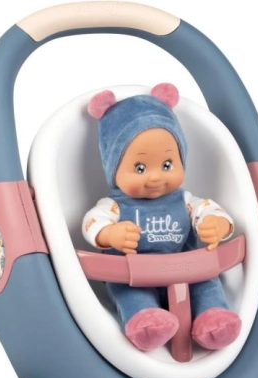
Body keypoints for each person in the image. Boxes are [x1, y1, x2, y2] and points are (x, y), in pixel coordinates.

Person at [82, 83, 241, 353]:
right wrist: (109, 235)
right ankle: (145, 322)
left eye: (167, 165)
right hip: (133, 276)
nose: (155, 177)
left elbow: (208, 209)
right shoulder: (114, 206)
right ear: (114, 169)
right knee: (129, 293)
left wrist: (217, 224)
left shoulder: (184, 201)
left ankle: (213, 319)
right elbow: (92, 222)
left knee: (207, 283)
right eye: (140, 168)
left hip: (188, 271)